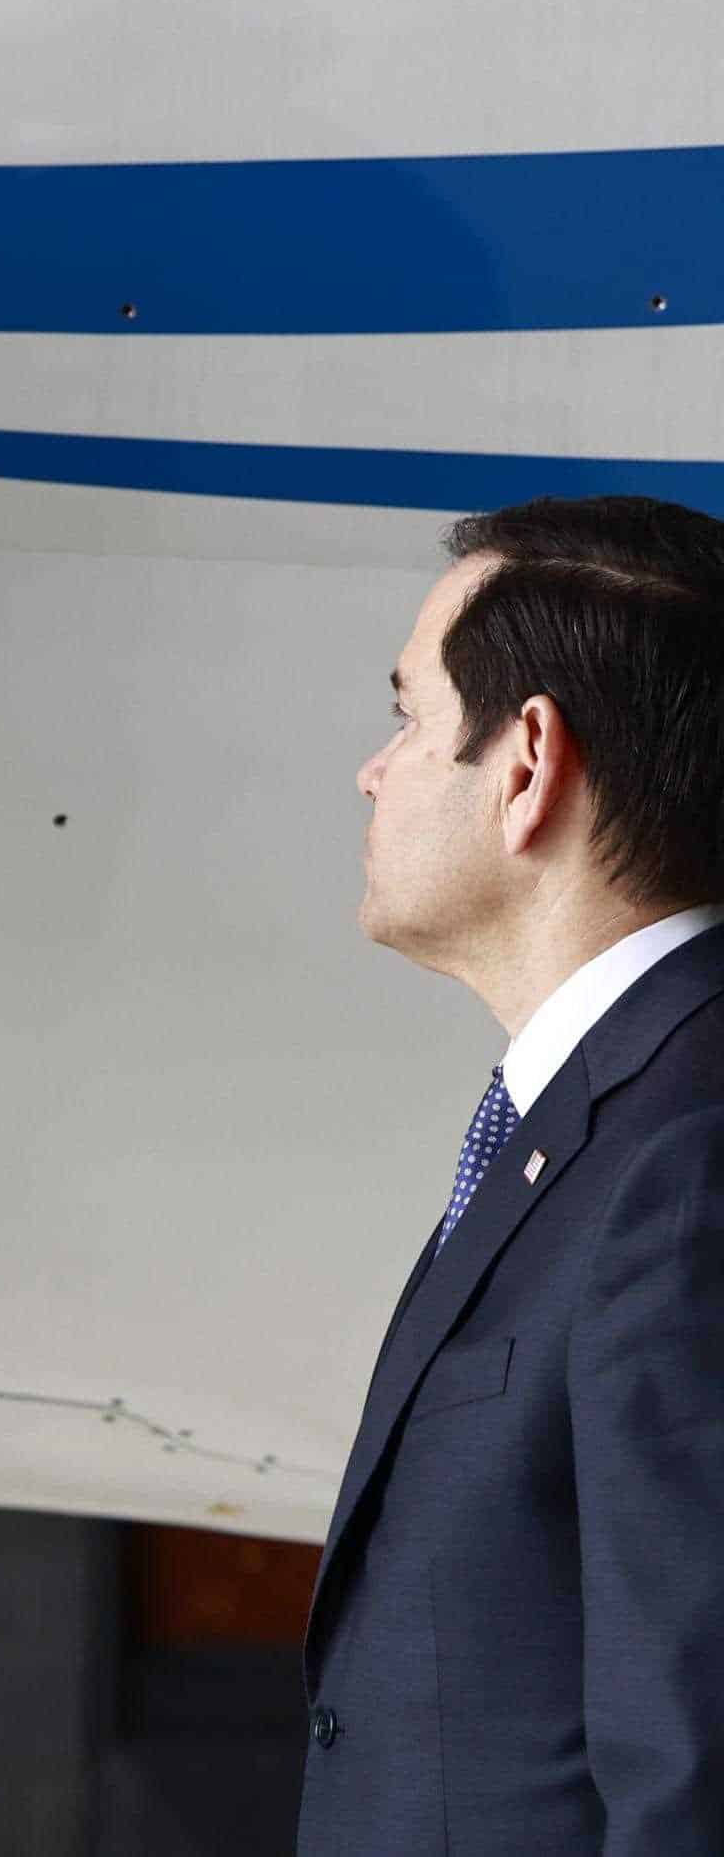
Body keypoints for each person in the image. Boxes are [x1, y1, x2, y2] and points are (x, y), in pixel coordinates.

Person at [301, 497, 724, 1857]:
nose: (375, 771)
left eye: (411, 717)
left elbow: (698, 1763)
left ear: (525, 758)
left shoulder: (687, 1152)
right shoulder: (607, 1119)